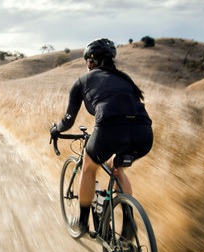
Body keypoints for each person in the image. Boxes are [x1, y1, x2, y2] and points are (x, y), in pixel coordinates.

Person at [50, 38, 153, 235]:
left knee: (89, 166)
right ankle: (129, 223)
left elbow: (68, 121)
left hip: (110, 130)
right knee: (117, 167)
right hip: (144, 133)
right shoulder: (125, 79)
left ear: (90, 61)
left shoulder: (82, 81)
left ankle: (82, 222)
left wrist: (56, 129)